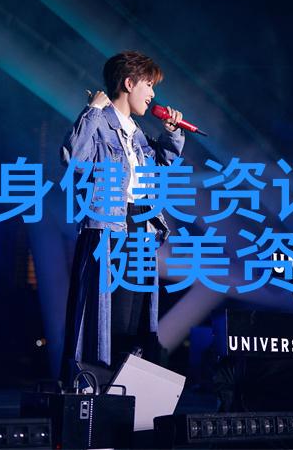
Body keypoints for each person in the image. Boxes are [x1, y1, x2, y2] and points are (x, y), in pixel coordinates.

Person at [59, 51, 184, 382]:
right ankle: (99, 388)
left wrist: (172, 134)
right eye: (148, 85)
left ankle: (125, 390)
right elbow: (73, 158)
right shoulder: (99, 121)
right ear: (129, 83)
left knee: (135, 319)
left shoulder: (137, 133)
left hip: (140, 226)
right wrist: (92, 111)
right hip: (110, 228)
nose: (153, 94)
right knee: (108, 317)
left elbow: (161, 170)